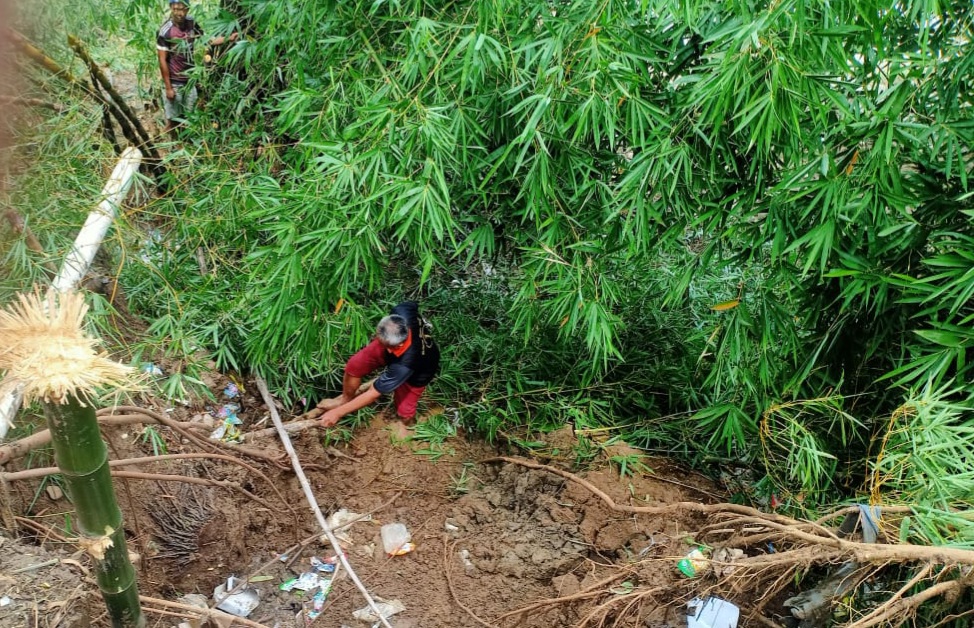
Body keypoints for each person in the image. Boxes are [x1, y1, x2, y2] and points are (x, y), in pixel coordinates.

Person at [318, 302, 440, 431]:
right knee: (355, 365)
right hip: (395, 347)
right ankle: (344, 400)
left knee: (404, 411)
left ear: (398, 345)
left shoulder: (405, 364)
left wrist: (337, 413)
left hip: (419, 371)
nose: (385, 349)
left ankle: (407, 425)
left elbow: (372, 393)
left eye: (387, 346)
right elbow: (412, 304)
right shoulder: (402, 311)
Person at [157, 0, 236, 134]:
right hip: (175, 81)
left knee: (189, 115)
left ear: (187, 9)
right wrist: (168, 87)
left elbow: (208, 40)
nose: (178, 13)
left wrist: (229, 38)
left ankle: (184, 142)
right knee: (173, 119)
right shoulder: (165, 31)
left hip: (190, 79)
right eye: (175, 9)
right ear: (171, 8)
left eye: (181, 9)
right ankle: (169, 144)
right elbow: (162, 60)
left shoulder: (191, 23)